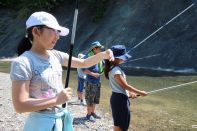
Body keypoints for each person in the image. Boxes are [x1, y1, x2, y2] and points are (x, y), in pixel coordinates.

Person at [10, 11, 114, 131]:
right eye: (54, 31)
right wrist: (56, 100)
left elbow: (84, 63)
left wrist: (102, 55)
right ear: (36, 31)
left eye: (58, 32)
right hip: (40, 123)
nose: (58, 36)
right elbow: (20, 105)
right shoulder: (22, 62)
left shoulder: (57, 55)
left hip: (62, 118)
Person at [104, 45, 148, 131]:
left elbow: (121, 87)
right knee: (121, 126)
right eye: (122, 57)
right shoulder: (116, 70)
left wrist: (130, 94)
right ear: (116, 58)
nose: (124, 59)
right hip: (120, 100)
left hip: (117, 98)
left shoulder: (112, 68)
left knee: (118, 124)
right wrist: (140, 92)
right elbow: (125, 86)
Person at [83, 41, 104, 121]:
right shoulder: (87, 57)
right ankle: (88, 115)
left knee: (95, 98)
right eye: (99, 48)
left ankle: (92, 112)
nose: (101, 50)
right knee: (89, 99)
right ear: (94, 48)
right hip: (90, 82)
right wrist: (92, 74)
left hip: (98, 81)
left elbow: (103, 66)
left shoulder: (99, 56)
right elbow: (83, 70)